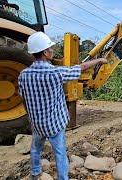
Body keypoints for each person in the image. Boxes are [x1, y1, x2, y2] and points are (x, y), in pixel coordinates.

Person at [18, 32, 107, 180]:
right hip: (54, 125)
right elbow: (82, 67)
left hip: (37, 124)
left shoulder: (23, 75)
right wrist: (100, 60)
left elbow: (24, 100)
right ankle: (63, 178)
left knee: (35, 150)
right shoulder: (56, 72)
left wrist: (30, 117)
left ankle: (35, 173)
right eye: (50, 48)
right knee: (60, 153)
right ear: (45, 53)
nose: (52, 50)